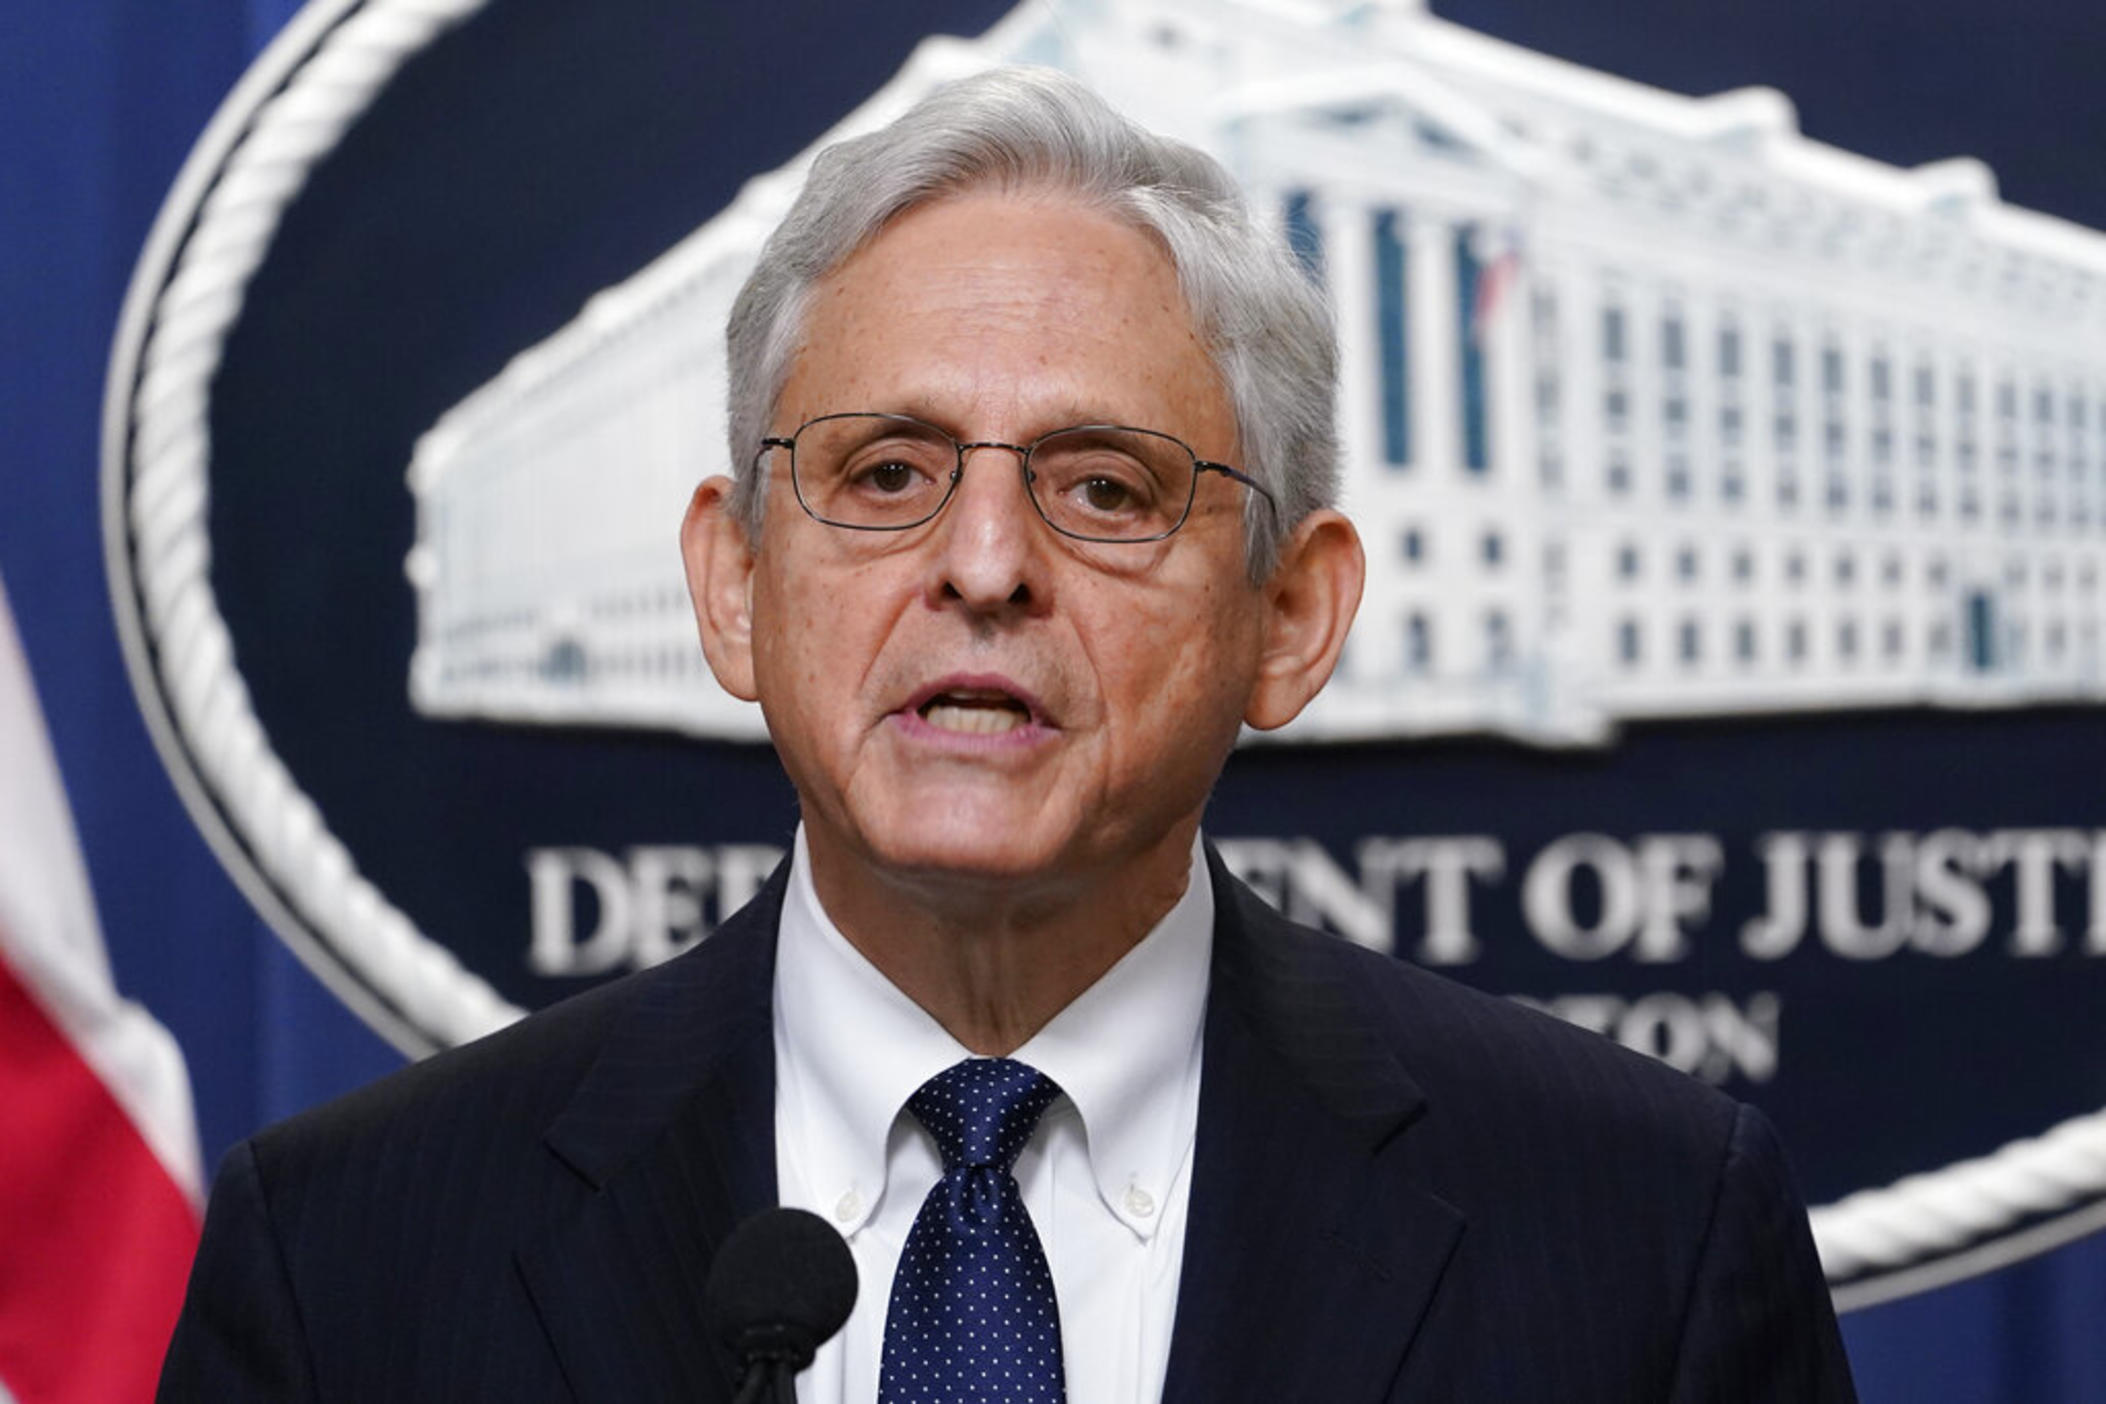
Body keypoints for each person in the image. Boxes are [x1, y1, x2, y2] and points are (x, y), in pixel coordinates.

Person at [159, 66, 1856, 1402]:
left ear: (1291, 617)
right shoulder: (354, 1259)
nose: (982, 569)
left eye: (1104, 489)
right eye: (884, 473)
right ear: (736, 585)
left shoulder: (1642, 1230)